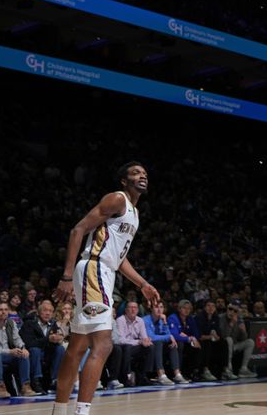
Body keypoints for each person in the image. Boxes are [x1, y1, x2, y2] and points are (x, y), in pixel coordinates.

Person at [51, 161, 160, 415]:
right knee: (103, 344)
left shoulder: (134, 212)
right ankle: (82, 412)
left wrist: (142, 283)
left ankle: (59, 410)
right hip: (94, 268)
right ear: (124, 181)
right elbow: (78, 230)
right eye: (136, 173)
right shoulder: (117, 199)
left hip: (105, 271)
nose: (142, 175)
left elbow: (119, 258)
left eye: (144, 172)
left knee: (78, 345)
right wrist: (66, 276)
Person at [0, 301, 37, 397]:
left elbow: (17, 339)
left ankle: (25, 386)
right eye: (0, 310)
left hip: (9, 354)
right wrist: (10, 352)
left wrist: (23, 348)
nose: (3, 312)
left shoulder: (11, 323)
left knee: (23, 355)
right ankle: (0, 386)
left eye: (6, 309)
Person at [20, 299, 66, 394]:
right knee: (35, 350)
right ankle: (36, 381)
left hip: (47, 353)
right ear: (38, 312)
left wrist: (58, 338)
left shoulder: (53, 324)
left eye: (50, 311)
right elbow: (29, 343)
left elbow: (55, 339)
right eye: (45, 310)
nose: (48, 313)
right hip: (32, 353)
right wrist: (48, 339)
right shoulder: (29, 323)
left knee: (60, 349)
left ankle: (54, 380)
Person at [144, 301, 187, 384]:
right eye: (156, 307)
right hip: (148, 346)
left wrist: (165, 323)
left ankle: (177, 374)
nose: (159, 309)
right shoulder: (145, 320)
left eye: (161, 307)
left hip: (159, 347)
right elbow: (151, 337)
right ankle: (161, 375)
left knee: (173, 344)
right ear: (151, 309)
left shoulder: (162, 320)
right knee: (158, 342)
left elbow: (168, 335)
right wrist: (169, 336)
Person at [116, 301, 154, 386]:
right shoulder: (120, 320)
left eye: (135, 308)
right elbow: (120, 340)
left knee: (150, 347)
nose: (133, 309)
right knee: (127, 348)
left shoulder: (140, 320)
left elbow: (143, 337)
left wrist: (146, 340)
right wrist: (139, 341)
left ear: (137, 310)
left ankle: (144, 375)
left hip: (135, 346)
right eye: (131, 307)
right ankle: (126, 377)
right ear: (126, 310)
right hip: (123, 347)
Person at [218, 299, 257, 380]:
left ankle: (243, 369)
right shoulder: (221, 317)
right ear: (227, 308)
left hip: (234, 345)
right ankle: (228, 369)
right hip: (223, 346)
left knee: (250, 342)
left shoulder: (239, 319)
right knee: (229, 339)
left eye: (235, 310)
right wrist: (231, 323)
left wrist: (243, 331)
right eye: (230, 309)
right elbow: (224, 336)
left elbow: (243, 338)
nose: (232, 312)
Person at [167, 299, 201, 382]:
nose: (187, 310)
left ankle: (193, 372)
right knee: (180, 344)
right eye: (184, 308)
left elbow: (196, 334)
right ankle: (178, 373)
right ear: (179, 309)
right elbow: (174, 335)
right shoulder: (173, 318)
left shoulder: (190, 319)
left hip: (186, 342)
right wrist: (188, 338)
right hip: (172, 343)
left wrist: (190, 337)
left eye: (189, 308)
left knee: (197, 346)